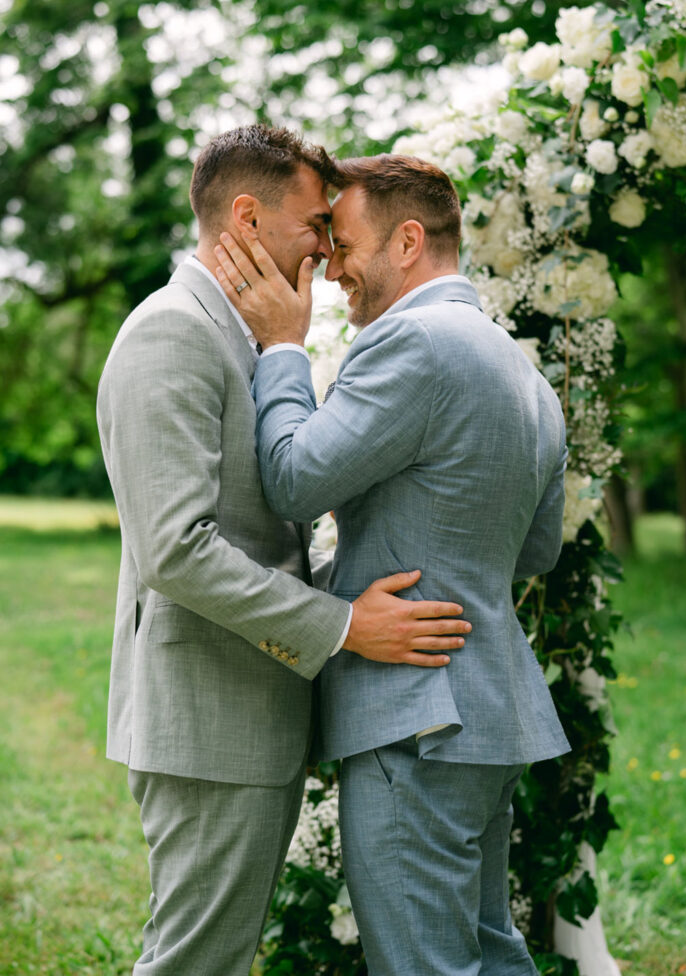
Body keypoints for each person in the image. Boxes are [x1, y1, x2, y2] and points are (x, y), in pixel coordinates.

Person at [96, 129, 470, 976]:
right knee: (195, 962)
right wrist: (344, 627)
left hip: (245, 714)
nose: (328, 251)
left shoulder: (242, 336)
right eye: (313, 226)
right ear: (246, 216)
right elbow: (177, 551)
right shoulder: (172, 334)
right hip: (207, 717)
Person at [215, 153, 571, 976]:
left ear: (408, 241)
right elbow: (536, 549)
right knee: (489, 948)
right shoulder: (524, 372)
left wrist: (281, 350)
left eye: (345, 244)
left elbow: (296, 480)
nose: (331, 265)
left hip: (416, 716)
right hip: (490, 707)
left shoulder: (409, 342)